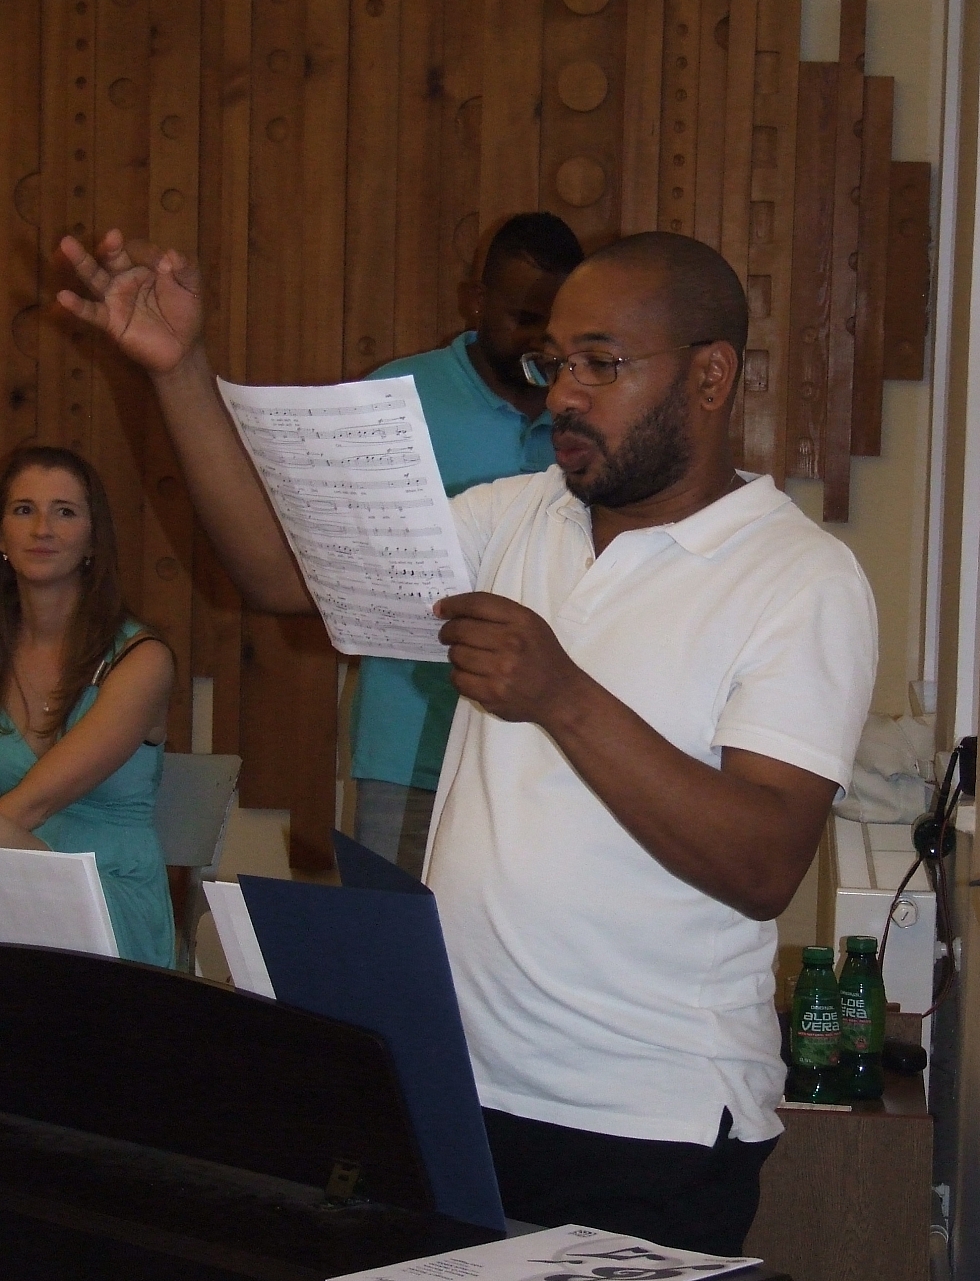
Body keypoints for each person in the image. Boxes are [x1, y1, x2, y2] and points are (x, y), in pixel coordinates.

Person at [57, 229, 877, 1253]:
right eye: (552, 364)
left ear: (710, 376)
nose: (562, 395)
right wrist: (179, 371)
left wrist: (562, 695)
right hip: (458, 1083)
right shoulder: (518, 516)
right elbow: (276, 571)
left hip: (644, 1117)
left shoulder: (799, 578)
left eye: (599, 364)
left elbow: (763, 863)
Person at [352, 213, 583, 875]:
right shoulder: (392, 396)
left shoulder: (588, 411)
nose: (538, 340)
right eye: (522, 317)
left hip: (549, 755)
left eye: (554, 322)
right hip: (409, 752)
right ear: (476, 302)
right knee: (392, 930)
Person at [0, 446, 176, 968]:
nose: (42, 529)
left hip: (107, 896)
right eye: (24, 509)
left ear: (94, 539)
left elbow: (27, 810)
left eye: (65, 512)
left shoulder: (142, 659)